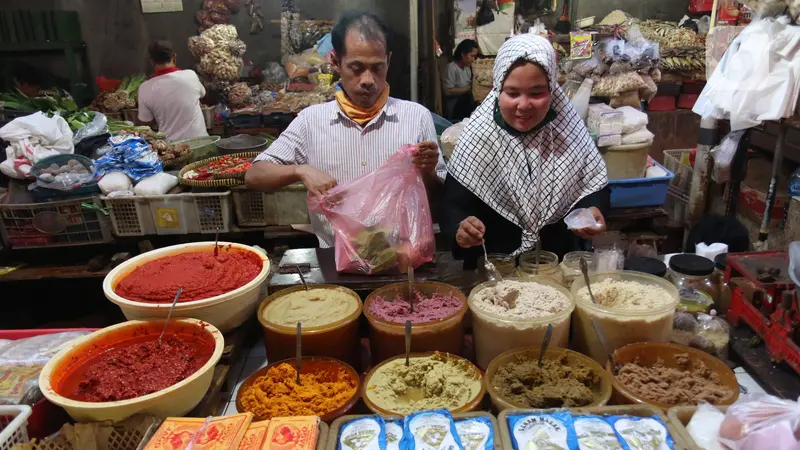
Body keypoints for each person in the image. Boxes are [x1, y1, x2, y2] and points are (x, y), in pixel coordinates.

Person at [245, 11, 446, 248]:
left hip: (401, 259)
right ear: (335, 61)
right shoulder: (311, 121)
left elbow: (436, 198)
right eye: (356, 68)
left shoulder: (416, 117)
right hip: (336, 261)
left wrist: (428, 171)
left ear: (388, 61)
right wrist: (299, 170)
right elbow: (254, 176)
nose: (368, 79)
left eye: (377, 68)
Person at [442, 34, 610, 268]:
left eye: (536, 93)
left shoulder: (568, 130)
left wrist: (593, 210)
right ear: (498, 89)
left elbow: (593, 185)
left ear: (552, 89)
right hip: (494, 268)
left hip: (554, 264)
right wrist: (461, 230)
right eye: (512, 93)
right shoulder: (478, 137)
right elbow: (454, 204)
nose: (523, 105)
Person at [137, 41, 208, 141]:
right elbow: (202, 94)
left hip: (172, 150)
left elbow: (145, 122)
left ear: (152, 62)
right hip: (202, 143)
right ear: (174, 57)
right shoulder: (190, 75)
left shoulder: (144, 88)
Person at [442, 39, 479, 120]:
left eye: (474, 56)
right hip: (455, 108)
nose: (473, 59)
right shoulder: (451, 68)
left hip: (466, 105)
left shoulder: (467, 67)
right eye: (471, 56)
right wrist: (468, 89)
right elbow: (447, 91)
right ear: (463, 54)